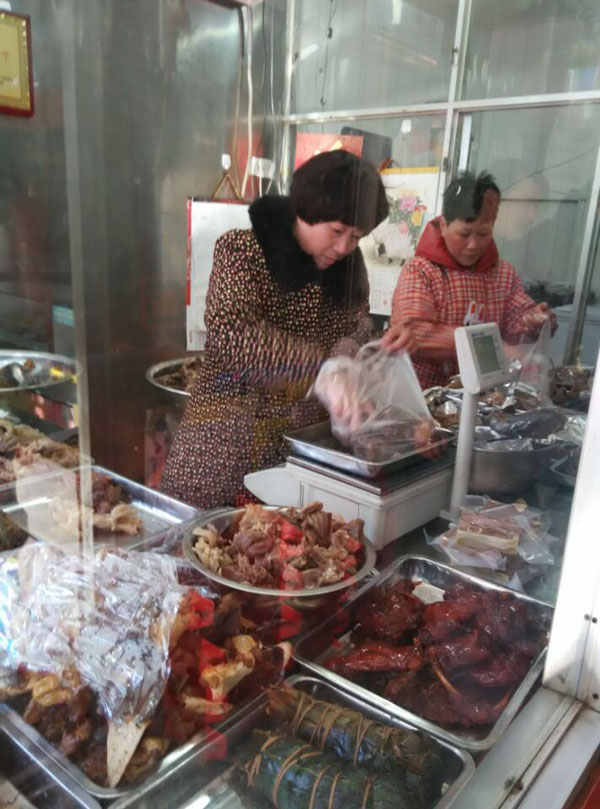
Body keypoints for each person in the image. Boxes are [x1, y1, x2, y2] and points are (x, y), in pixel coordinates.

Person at [162, 150, 414, 508]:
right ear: (304, 210)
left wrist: (369, 352)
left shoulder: (347, 270)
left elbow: (355, 329)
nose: (344, 247)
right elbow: (233, 333)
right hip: (225, 445)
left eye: (357, 237)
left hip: (302, 449)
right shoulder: (244, 250)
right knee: (211, 535)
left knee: (293, 535)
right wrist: (320, 371)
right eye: (337, 231)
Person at [382, 170, 557, 389]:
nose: (473, 244)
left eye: (483, 234)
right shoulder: (421, 270)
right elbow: (415, 333)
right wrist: (493, 348)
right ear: (444, 226)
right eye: (464, 234)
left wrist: (533, 321)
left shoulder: (503, 273)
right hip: (425, 395)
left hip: (485, 397)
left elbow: (516, 324)